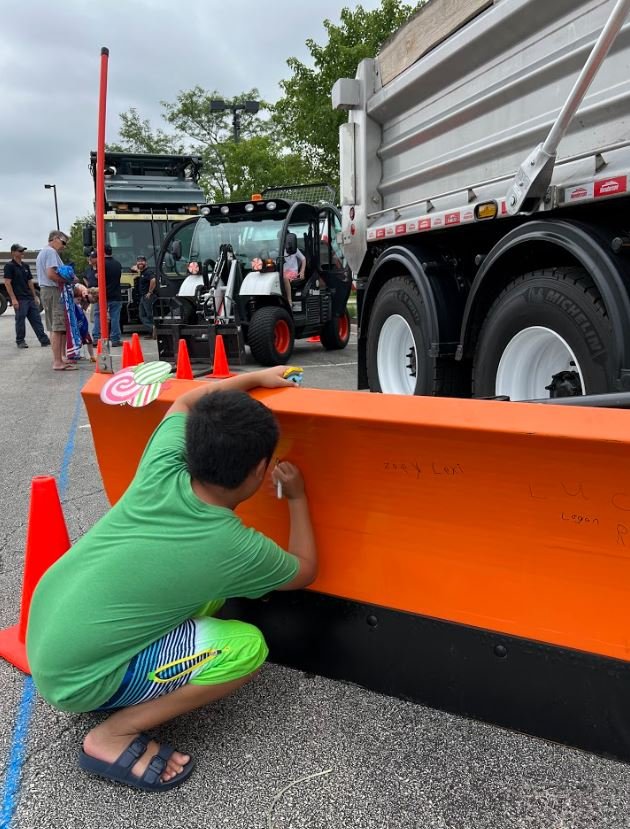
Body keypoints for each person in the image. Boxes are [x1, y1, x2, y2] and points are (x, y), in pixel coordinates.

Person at [26, 366, 316, 792]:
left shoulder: (164, 465)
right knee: (245, 647)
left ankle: (107, 679)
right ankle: (114, 733)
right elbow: (305, 569)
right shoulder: (232, 546)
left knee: (201, 596)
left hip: (46, 625)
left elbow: (185, 401)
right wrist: (298, 497)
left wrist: (258, 376)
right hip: (75, 681)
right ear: (260, 471)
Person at [36, 229, 76, 371]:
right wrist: (67, 281)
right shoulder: (51, 252)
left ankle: (60, 358)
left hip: (48, 291)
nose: (64, 246)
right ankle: (58, 361)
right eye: (63, 242)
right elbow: (51, 274)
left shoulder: (45, 252)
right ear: (55, 238)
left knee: (56, 326)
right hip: (53, 291)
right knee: (57, 327)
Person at [3, 243, 50, 349]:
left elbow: (30, 282)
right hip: (19, 298)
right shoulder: (9, 266)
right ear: (13, 253)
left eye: (22, 250)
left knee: (36, 319)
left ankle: (44, 340)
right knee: (20, 320)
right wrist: (13, 299)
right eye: (20, 251)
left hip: (29, 298)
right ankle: (20, 341)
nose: (22, 252)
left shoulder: (25, 266)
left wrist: (34, 296)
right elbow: (7, 282)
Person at [92, 244, 123, 347]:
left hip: (102, 295)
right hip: (116, 294)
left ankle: (97, 338)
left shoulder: (101, 264)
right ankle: (115, 339)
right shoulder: (118, 264)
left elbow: (97, 277)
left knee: (98, 316)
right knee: (115, 317)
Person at [134, 255, 157, 338]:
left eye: (142, 261)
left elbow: (153, 280)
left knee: (149, 314)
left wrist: (150, 292)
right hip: (143, 297)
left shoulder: (148, 272)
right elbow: (133, 267)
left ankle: (155, 330)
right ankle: (152, 330)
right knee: (142, 315)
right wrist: (136, 268)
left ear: (146, 263)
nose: (140, 263)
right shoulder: (143, 272)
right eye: (138, 261)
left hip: (148, 297)